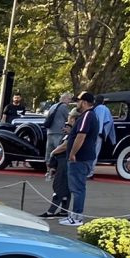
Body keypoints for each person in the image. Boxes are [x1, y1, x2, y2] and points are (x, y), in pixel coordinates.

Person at [51, 92, 98, 225]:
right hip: (83, 157)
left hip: (80, 158)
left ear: (84, 102)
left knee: (78, 188)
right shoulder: (89, 115)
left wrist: (72, 153)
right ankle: (75, 215)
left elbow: (81, 136)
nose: (77, 104)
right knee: (78, 187)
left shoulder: (87, 116)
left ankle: (77, 217)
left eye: (78, 101)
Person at [39, 110, 79, 218]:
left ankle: (51, 211)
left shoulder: (73, 134)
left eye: (70, 117)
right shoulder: (74, 132)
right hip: (64, 161)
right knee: (65, 187)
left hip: (64, 161)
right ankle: (63, 211)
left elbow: (66, 146)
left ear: (73, 119)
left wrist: (53, 152)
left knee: (58, 186)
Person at [44, 92, 73, 165]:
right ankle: (58, 168)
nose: (70, 101)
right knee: (58, 152)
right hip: (59, 132)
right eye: (69, 99)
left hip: (50, 132)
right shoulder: (63, 106)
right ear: (64, 99)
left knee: (49, 153)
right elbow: (69, 118)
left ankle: (49, 169)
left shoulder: (53, 106)